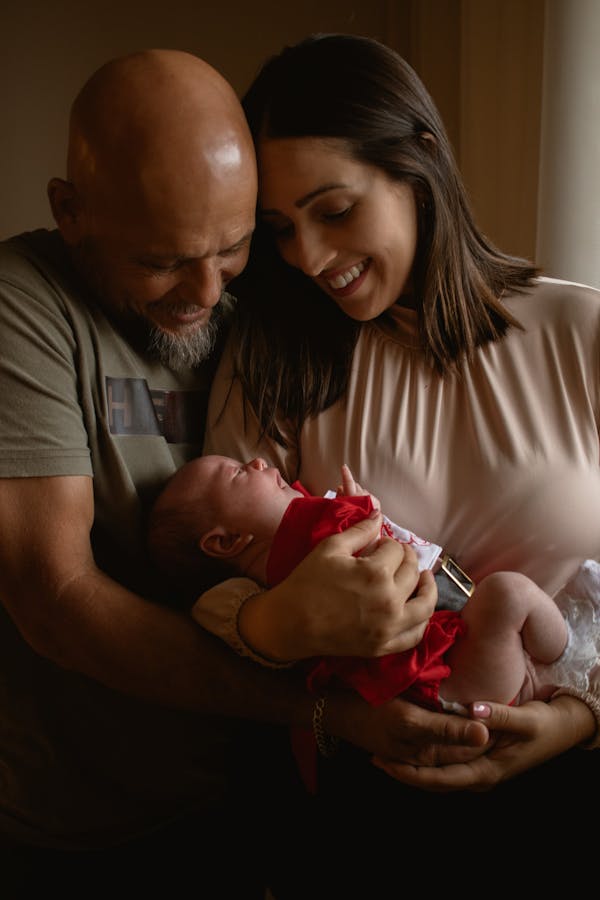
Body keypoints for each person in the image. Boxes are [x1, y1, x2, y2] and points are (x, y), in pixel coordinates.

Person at [0, 47, 492, 899]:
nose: (204, 292)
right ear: (70, 211)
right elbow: (57, 601)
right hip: (78, 822)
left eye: (232, 248)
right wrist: (330, 710)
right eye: (160, 260)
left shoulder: (274, 296)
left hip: (252, 800)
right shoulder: (26, 305)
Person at [201, 31, 600, 888]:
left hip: (574, 795)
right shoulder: (271, 357)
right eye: (281, 229)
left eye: (335, 210)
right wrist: (289, 641)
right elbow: (208, 584)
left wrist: (582, 717)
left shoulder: (584, 333)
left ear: (418, 163)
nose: (308, 258)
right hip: (365, 795)